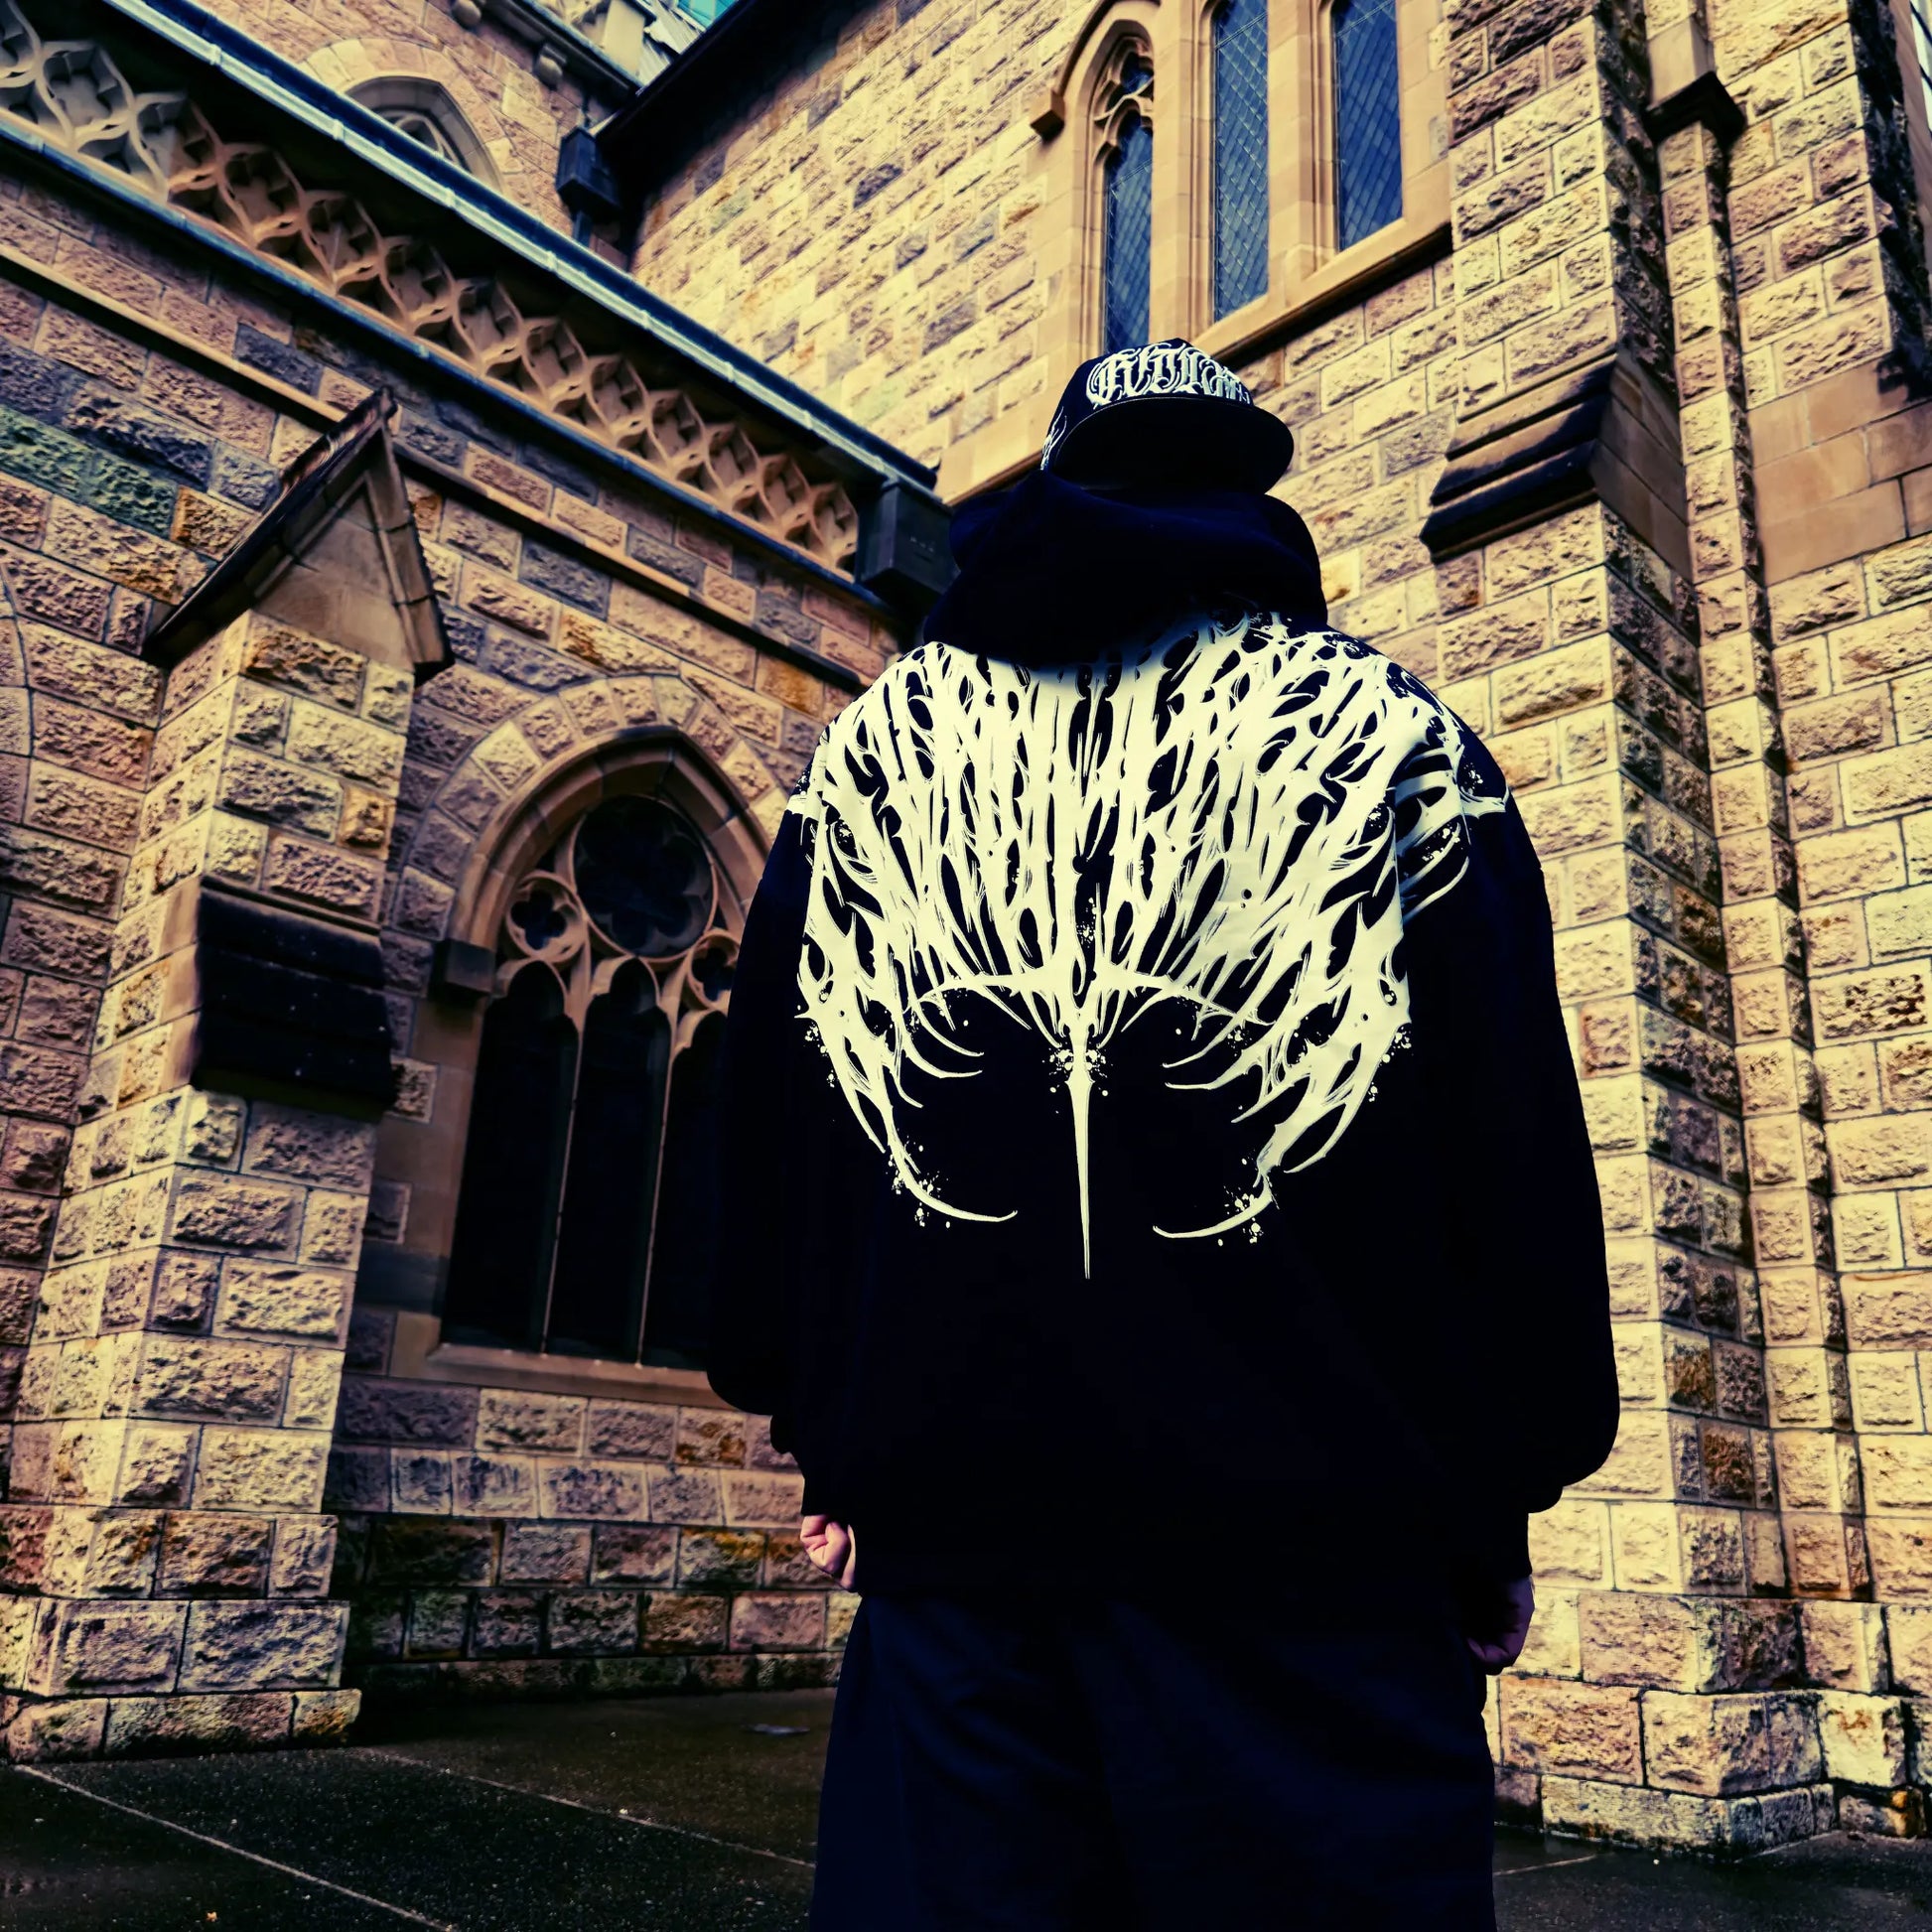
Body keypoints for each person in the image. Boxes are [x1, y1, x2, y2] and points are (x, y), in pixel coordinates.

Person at [708, 341, 1618, 1930]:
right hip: (1317, 1583)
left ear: (1060, 474)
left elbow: (774, 1117)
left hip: (958, 1573)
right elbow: (1509, 1148)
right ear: (1245, 485)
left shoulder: (865, 757)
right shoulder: (1397, 744)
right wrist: (1497, 1491)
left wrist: (820, 1422)